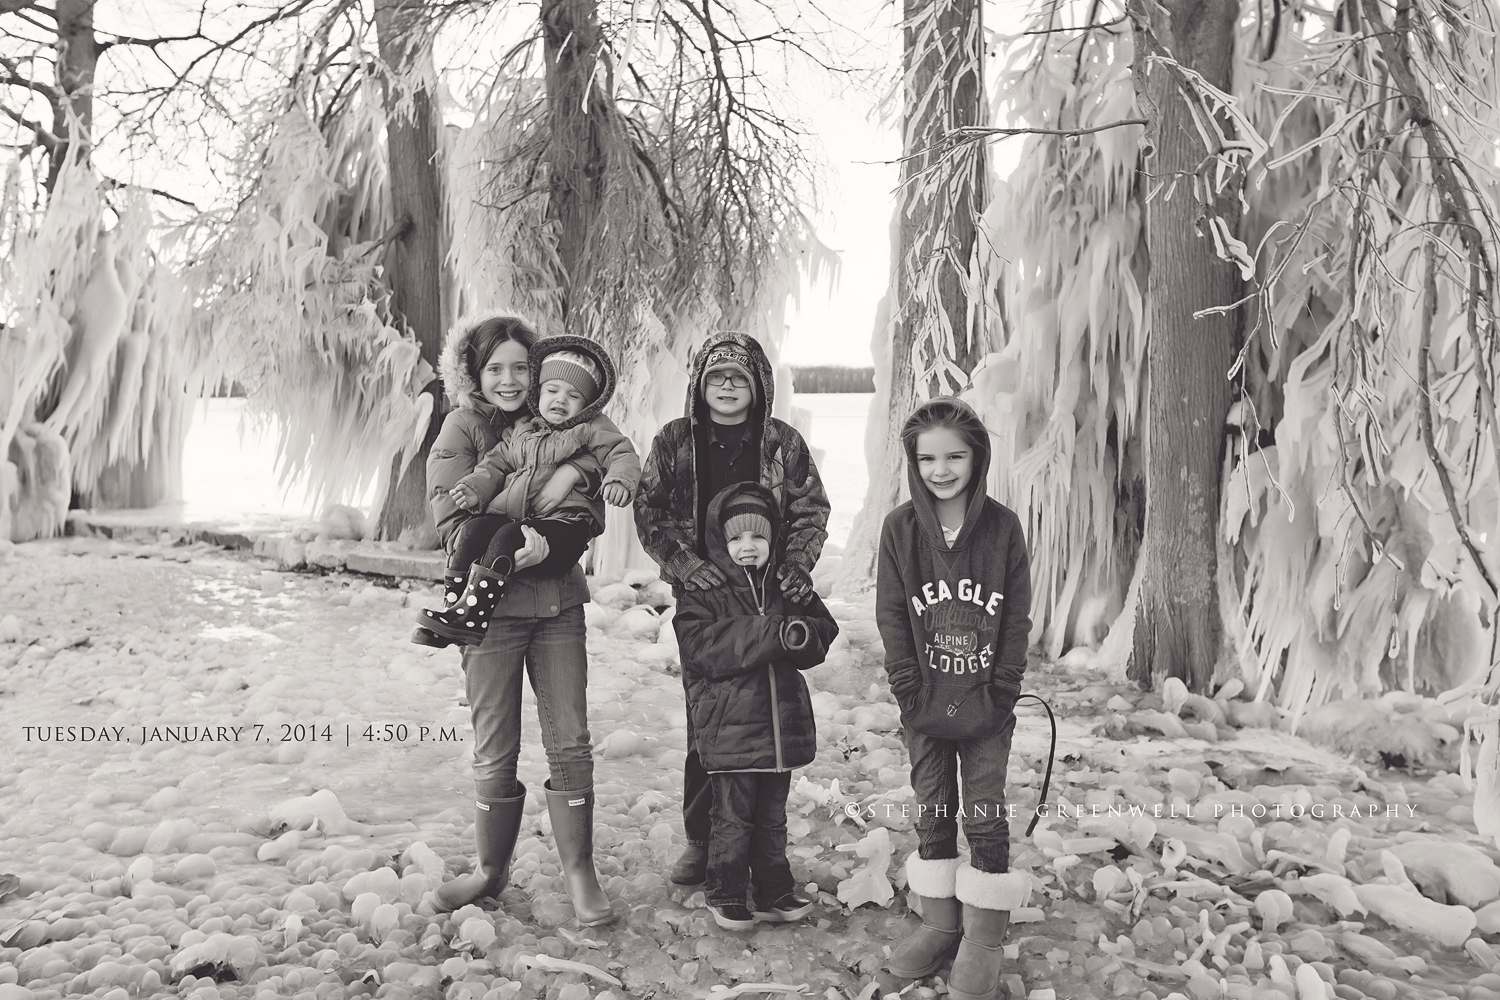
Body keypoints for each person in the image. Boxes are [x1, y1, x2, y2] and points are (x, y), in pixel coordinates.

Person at [423, 312, 615, 926]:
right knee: (494, 743)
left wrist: (573, 475)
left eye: (520, 367)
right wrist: (536, 499)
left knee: (571, 737)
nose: (510, 380)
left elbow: (591, 503)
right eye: (495, 368)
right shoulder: (463, 427)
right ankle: (489, 869)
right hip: (490, 614)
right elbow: (451, 524)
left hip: (558, 601)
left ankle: (580, 870)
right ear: (474, 374)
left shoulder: (569, 417)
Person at [634, 332, 830, 885]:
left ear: (758, 386)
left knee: (766, 713)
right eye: (716, 375)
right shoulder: (675, 441)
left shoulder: (782, 444)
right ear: (699, 384)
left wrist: (794, 568)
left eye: (739, 376)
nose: (726, 385)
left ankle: (762, 848)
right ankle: (703, 840)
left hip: (769, 590)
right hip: (707, 592)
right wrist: (684, 566)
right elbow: (651, 511)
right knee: (709, 722)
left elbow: (811, 510)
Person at [876, 397, 1033, 1000]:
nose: (941, 469)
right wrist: (906, 687)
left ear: (977, 457)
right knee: (934, 805)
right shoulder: (899, 529)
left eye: (954, 456)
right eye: (928, 458)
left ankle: (984, 935)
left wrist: (1004, 688)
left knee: (985, 809)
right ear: (914, 462)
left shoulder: (1002, 527)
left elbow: (1015, 616)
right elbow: (892, 614)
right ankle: (941, 922)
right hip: (924, 701)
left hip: (986, 701)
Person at [672, 483, 839, 929]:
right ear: (719, 541)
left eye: (758, 538)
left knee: (771, 820)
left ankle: (773, 888)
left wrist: (802, 632)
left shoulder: (786, 584)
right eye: (736, 538)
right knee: (732, 818)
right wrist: (774, 634)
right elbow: (702, 648)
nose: (748, 547)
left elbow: (824, 627)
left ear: (774, 539)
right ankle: (724, 889)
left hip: (780, 729)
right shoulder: (703, 591)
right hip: (731, 730)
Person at [414, 336, 640, 647]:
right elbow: (496, 463)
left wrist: (618, 481)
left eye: (573, 395)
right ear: (538, 393)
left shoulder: (592, 427)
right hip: (523, 520)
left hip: (566, 527)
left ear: (587, 405)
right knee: (474, 530)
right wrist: (474, 489)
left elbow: (621, 452)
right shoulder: (523, 429)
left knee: (507, 537)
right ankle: (455, 608)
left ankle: (472, 616)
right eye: (552, 390)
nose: (560, 400)